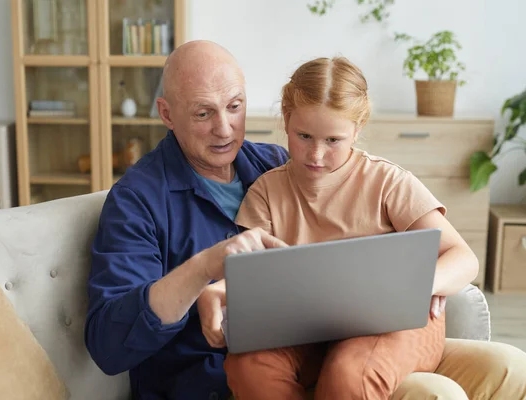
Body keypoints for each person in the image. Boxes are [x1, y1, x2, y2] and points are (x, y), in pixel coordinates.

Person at [217, 56, 526, 399]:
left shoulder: (387, 182)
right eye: (304, 136)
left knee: (350, 373)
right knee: (247, 365)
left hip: (394, 325)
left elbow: (464, 258)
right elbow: (250, 277)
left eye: (333, 140)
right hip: (303, 333)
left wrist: (421, 285)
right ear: (286, 119)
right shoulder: (265, 192)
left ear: (358, 128)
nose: (316, 154)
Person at [84, 40, 289, 400]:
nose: (224, 129)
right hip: (203, 386)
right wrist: (205, 266)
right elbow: (108, 346)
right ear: (166, 114)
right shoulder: (136, 200)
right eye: (203, 113)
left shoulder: (277, 164)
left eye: (234, 107)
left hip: (293, 361)